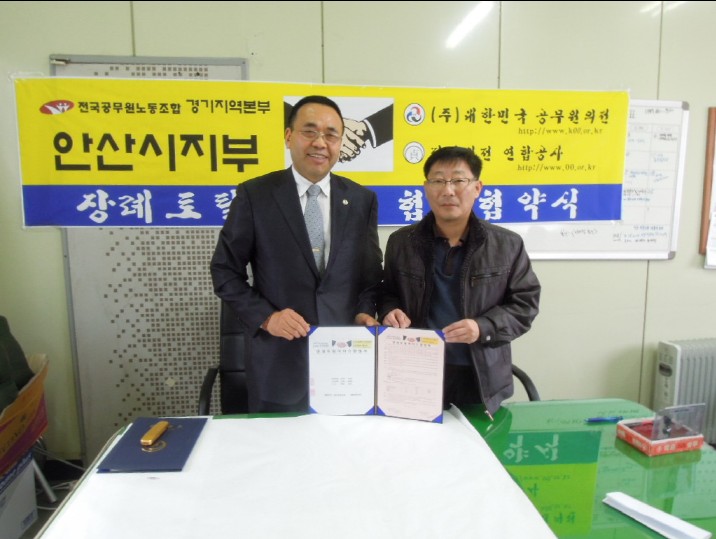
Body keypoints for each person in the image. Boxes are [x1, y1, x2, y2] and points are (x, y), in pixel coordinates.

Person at [211, 95, 383, 413]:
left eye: (331, 134)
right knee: (276, 444)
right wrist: (267, 317)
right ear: (289, 136)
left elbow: (371, 276)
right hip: (277, 362)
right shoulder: (255, 195)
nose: (320, 143)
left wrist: (363, 309)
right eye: (310, 131)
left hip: (344, 361)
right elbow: (224, 271)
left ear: (340, 143)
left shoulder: (362, 200)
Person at [378, 146, 540, 419]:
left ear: (477, 187)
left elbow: (525, 306)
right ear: (426, 188)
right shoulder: (401, 242)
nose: (448, 190)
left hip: (479, 377)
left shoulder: (507, 245)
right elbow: (387, 292)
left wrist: (482, 327)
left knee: (479, 441)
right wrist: (388, 310)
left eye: (458, 180)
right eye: (438, 180)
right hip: (416, 370)